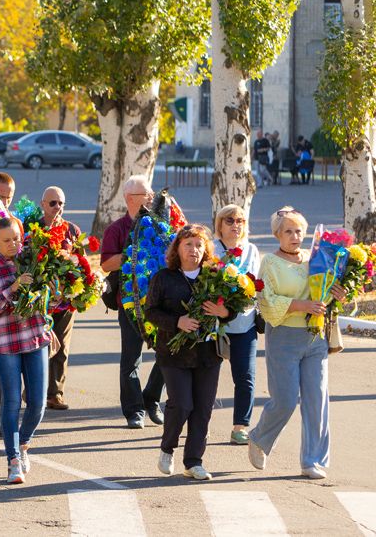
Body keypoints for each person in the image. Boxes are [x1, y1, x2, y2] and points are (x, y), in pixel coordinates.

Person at [248, 207, 345, 480]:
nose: (294, 236)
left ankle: (312, 460)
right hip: (284, 338)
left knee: (317, 400)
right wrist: (301, 304)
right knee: (286, 400)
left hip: (315, 337)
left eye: (299, 230)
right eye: (288, 231)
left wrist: (339, 292)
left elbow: (327, 293)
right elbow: (265, 302)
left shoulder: (315, 258)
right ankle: (259, 438)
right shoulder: (270, 263)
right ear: (277, 234)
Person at [144, 224, 236, 481]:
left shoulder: (217, 276)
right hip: (174, 353)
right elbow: (150, 311)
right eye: (188, 244)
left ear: (206, 248)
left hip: (207, 354)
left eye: (199, 245)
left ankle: (194, 461)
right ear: (178, 248)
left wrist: (224, 312)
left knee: (203, 408)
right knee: (182, 404)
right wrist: (177, 322)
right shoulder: (164, 277)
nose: (194, 250)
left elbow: (233, 308)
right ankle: (167, 447)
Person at [0, 217, 50, 484]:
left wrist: (48, 325)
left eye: (17, 239)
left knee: (38, 404)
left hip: (35, 338)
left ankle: (24, 442)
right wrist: (14, 288)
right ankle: (13, 461)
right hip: (6, 343)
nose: (13, 245)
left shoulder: (31, 261)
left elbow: (44, 301)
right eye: (7, 240)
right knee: (11, 402)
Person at [100, 175, 166, 429]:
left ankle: (151, 398)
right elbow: (106, 263)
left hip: (160, 302)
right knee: (131, 358)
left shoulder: (159, 225)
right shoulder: (116, 229)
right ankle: (134, 410)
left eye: (151, 193)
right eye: (146, 194)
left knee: (167, 354)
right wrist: (135, 251)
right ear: (130, 199)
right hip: (129, 303)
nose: (152, 198)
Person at [212, 204, 262, 445]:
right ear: (220, 225)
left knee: (245, 377)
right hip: (213, 323)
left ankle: (240, 426)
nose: (235, 225)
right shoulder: (210, 249)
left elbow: (258, 285)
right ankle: (198, 422)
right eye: (230, 220)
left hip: (245, 324)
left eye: (240, 220)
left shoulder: (251, 250)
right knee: (206, 378)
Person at [39, 186, 82, 411]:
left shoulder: (72, 230)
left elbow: (81, 264)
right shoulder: (33, 229)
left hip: (65, 300)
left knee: (62, 347)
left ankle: (55, 393)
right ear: (43, 204)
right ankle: (36, 391)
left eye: (61, 203)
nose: (58, 208)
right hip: (38, 300)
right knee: (40, 346)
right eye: (53, 203)